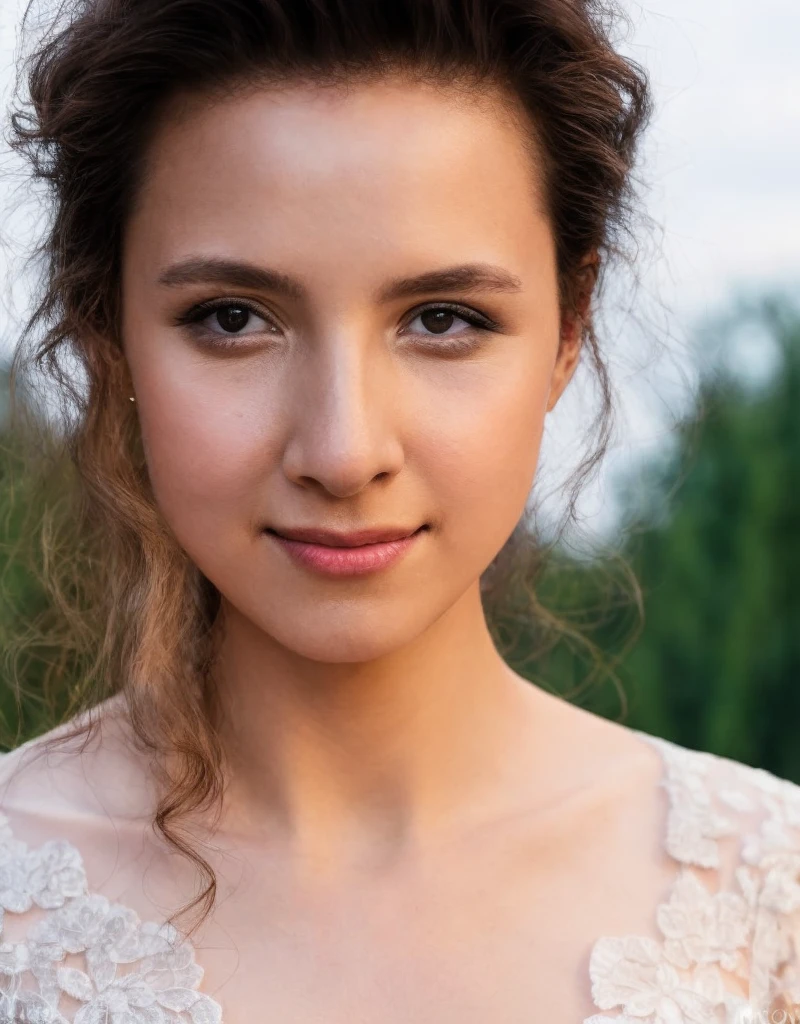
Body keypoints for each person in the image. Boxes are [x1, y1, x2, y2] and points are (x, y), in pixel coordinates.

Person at [0, 0, 797, 1022]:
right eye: (232, 319)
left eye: (442, 320)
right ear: (108, 338)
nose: (341, 450)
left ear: (566, 331)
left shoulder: (767, 898)